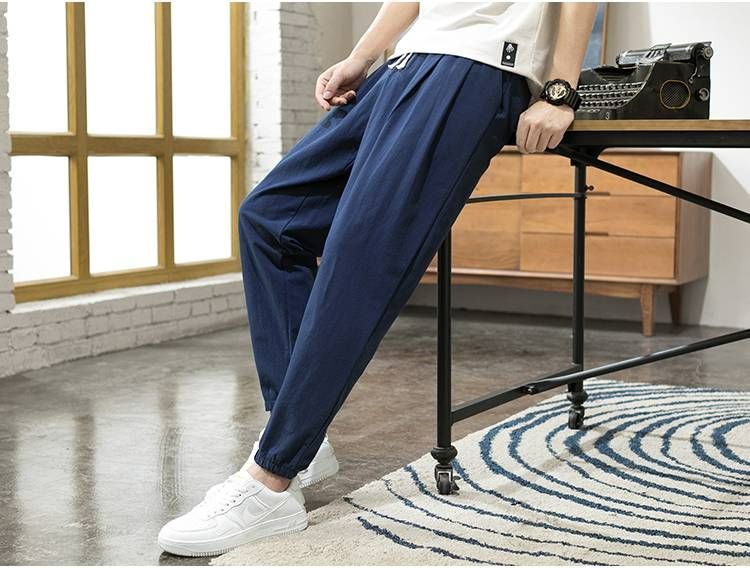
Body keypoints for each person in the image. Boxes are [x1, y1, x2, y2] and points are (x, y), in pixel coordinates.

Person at [158, 1, 597, 557]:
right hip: (406, 63)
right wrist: (361, 57)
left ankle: (271, 481)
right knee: (270, 220)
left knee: (359, 259)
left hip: (475, 65)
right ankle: (298, 435)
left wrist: (559, 92)